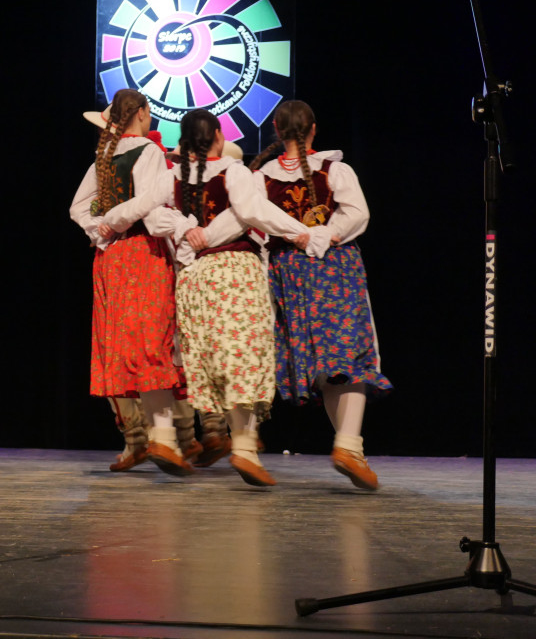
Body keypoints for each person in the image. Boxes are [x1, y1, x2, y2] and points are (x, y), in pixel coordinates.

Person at [103, 109, 327, 486]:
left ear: (185, 142)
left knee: (211, 361)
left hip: (194, 281)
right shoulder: (234, 172)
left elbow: (140, 209)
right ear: (219, 138)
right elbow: (254, 211)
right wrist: (299, 233)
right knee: (245, 356)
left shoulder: (172, 175)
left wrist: (108, 224)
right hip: (234, 273)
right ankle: (243, 447)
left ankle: (205, 439)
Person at [250, 100, 391, 490]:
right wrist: (324, 235)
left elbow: (258, 230)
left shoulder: (260, 177)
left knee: (326, 366)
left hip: (290, 273)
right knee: (351, 356)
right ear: (314, 129)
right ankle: (347, 446)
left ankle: (350, 447)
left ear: (276, 130)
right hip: (334, 267)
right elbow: (357, 214)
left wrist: (298, 242)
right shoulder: (336, 170)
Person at [69, 89, 192, 476]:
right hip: (142, 253)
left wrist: (101, 228)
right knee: (152, 343)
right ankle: (163, 439)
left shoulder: (105, 155)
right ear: (140, 113)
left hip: (110, 258)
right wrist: (119, 221)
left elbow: (76, 208)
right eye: (150, 112)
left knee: (128, 346)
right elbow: (151, 203)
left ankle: (148, 439)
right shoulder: (147, 151)